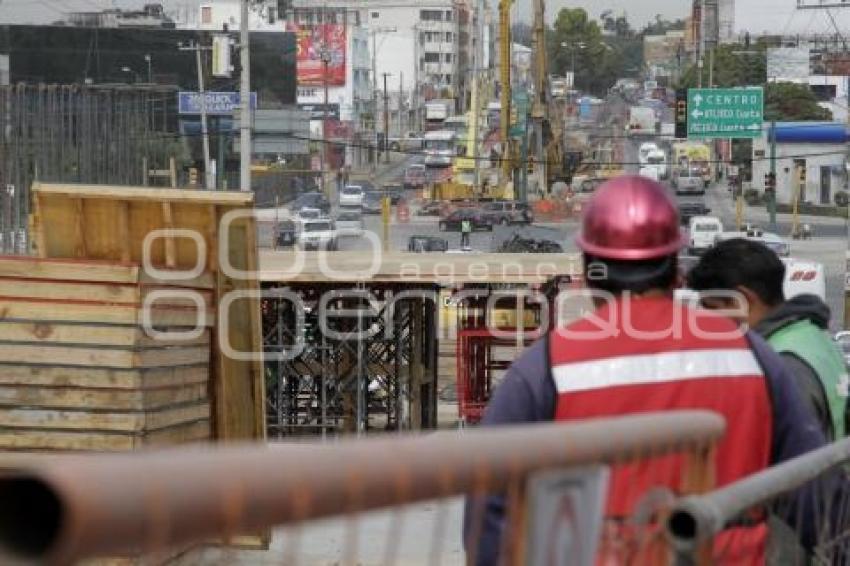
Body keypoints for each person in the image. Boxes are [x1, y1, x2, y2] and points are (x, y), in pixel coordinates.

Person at [464, 176, 830, 564]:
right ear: (676, 268)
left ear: (590, 270)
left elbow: (490, 511)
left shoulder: (545, 368)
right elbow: (816, 493)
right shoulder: (753, 356)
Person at [687, 238, 849, 441]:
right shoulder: (815, 338)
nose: (705, 319)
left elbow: (792, 463)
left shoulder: (781, 365)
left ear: (743, 299)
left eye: (711, 307)